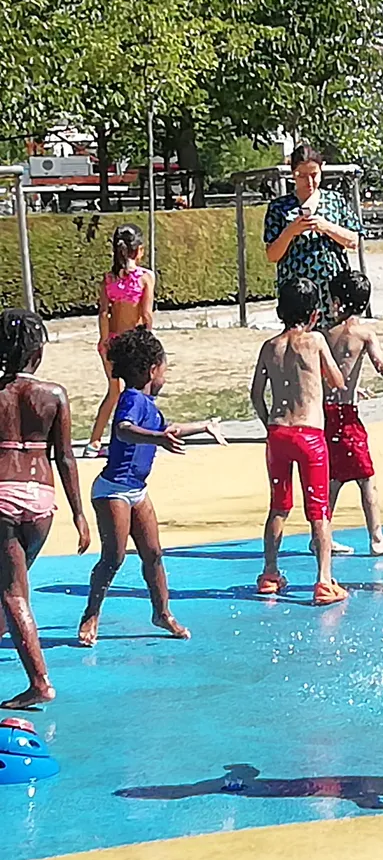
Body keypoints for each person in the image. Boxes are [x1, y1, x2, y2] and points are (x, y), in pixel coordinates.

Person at [78, 329, 226, 646]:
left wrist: (203, 427)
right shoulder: (131, 399)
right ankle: (91, 613)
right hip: (112, 490)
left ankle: (162, 613)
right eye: (165, 369)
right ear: (151, 370)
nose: (166, 376)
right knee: (114, 557)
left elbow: (167, 430)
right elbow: (124, 430)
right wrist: (157, 438)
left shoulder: (149, 403)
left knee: (154, 553)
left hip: (137, 490)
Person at [0, 310, 90, 708]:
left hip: (2, 496)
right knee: (10, 582)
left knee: (12, 591)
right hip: (41, 501)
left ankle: (40, 681)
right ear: (38, 352)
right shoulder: (54, 395)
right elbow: (66, 458)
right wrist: (79, 513)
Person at [251, 278, 348, 605]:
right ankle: (323, 581)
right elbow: (337, 381)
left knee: (279, 505)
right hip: (309, 434)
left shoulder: (270, 347)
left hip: (278, 432)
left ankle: (269, 573)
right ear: (314, 315)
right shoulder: (316, 341)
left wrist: (268, 423)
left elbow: (256, 394)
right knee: (318, 511)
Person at [322, 271, 383, 556]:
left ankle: (321, 535)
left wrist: (355, 389)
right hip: (346, 417)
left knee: (335, 477)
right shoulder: (364, 333)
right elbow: (382, 367)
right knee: (366, 476)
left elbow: (330, 374)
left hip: (326, 414)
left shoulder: (324, 335)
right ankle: (376, 537)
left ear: (338, 301)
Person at [263, 144, 364, 329]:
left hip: (332, 288)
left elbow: (354, 241)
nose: (308, 182)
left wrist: (326, 227)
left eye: (314, 175)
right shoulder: (279, 207)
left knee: (334, 345)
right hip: (297, 290)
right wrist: (290, 231)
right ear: (292, 173)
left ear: (321, 170)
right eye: (301, 176)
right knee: (299, 346)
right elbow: (272, 255)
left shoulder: (336, 201)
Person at [84, 224, 155, 457]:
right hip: (133, 342)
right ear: (139, 250)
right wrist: (148, 338)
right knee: (140, 390)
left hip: (113, 341)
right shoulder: (145, 278)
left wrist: (104, 340)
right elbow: (146, 314)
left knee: (113, 391)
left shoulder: (108, 279)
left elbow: (104, 312)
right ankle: (138, 436)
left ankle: (94, 441)